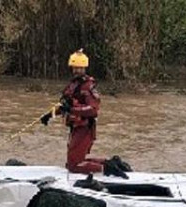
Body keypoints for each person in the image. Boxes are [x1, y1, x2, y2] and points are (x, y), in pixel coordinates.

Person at [40, 49, 129, 180]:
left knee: (74, 165)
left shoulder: (88, 86)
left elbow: (93, 110)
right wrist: (49, 114)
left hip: (85, 127)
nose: (77, 70)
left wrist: (72, 109)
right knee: (72, 162)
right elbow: (64, 105)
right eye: (75, 68)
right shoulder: (72, 85)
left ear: (84, 68)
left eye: (80, 68)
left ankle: (107, 168)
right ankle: (109, 162)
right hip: (75, 127)